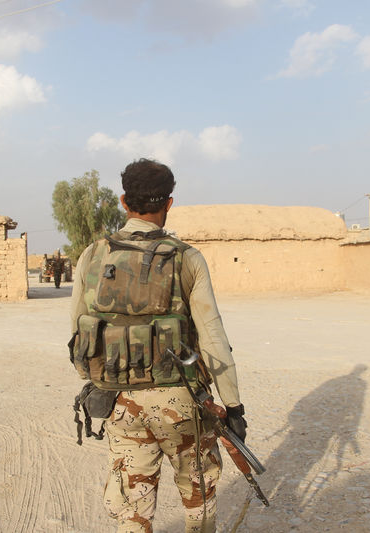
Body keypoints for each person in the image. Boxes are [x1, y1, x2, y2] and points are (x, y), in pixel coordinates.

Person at [70, 158, 245, 533]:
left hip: (119, 401)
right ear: (168, 203)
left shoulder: (93, 255)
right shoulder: (186, 258)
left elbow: (77, 334)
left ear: (123, 201)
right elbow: (213, 338)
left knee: (132, 508)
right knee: (198, 499)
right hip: (182, 404)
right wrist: (233, 405)